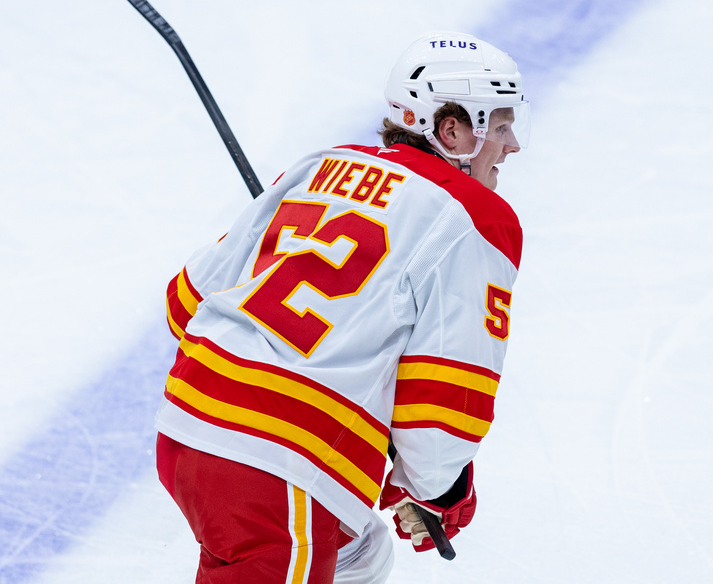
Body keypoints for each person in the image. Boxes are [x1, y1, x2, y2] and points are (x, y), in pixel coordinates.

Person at [155, 31, 528, 583]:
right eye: (499, 126)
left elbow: (185, 300)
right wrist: (438, 490)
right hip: (276, 460)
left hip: (187, 428)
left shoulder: (320, 166)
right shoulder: (474, 216)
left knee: (360, 554)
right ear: (453, 131)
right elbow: (446, 390)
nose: (513, 144)